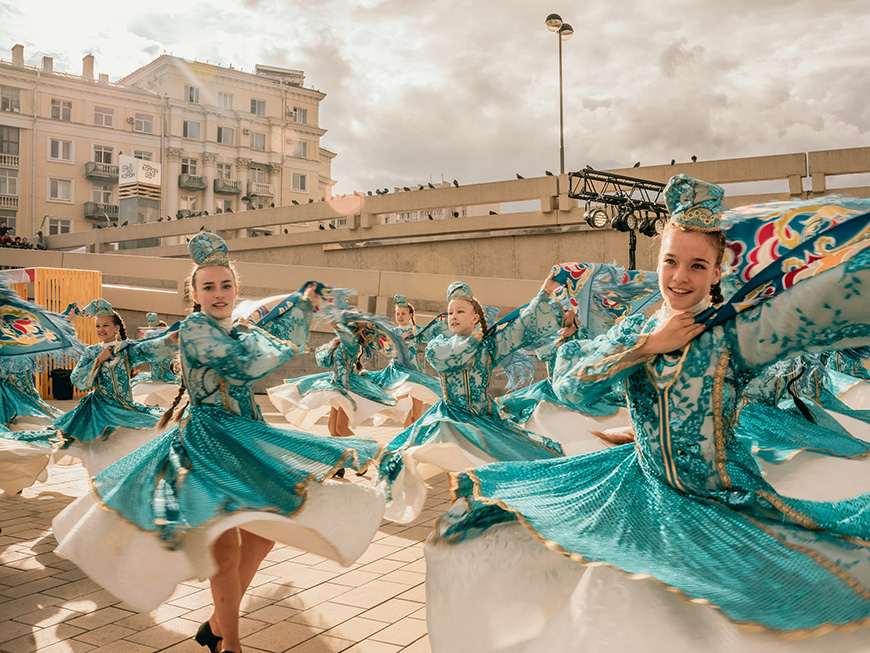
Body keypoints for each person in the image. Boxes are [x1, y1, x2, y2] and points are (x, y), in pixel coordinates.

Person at [424, 176, 870, 652]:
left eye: (698, 266)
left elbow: (825, 304)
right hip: (640, 489)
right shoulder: (635, 328)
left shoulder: (734, 333)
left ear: (717, 272)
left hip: (718, 498)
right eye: (671, 261)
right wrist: (647, 345)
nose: (680, 277)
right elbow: (569, 384)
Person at [53, 232, 384, 653]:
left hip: (247, 436)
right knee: (225, 549)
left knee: (263, 535)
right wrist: (302, 307)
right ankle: (231, 645)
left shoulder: (239, 327)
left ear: (237, 290)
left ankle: (216, 623)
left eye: (225, 285)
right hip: (207, 444)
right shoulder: (195, 328)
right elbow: (244, 365)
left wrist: (324, 308)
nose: (218, 293)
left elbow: (150, 346)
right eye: (207, 286)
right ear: (193, 293)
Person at [377, 276, 565, 524]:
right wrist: (475, 340)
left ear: (475, 317)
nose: (452, 316)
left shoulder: (489, 346)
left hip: (483, 419)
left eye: (460, 311)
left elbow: (520, 327)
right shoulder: (439, 345)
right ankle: (461, 509)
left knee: (530, 455)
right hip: (451, 417)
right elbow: (448, 358)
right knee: (447, 462)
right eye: (450, 312)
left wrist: (544, 294)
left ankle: (486, 509)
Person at [52, 300, 166, 475]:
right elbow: (77, 379)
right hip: (99, 410)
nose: (101, 329)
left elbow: (153, 350)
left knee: (148, 434)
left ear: (116, 328)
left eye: (106, 325)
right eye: (98, 326)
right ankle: (102, 481)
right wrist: (99, 360)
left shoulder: (126, 349)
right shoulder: (92, 352)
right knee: (100, 452)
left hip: (124, 408)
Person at [368, 294, 442, 427]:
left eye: (403, 313)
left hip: (416, 374)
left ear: (410, 315)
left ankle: (414, 440)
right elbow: (384, 347)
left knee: (417, 414)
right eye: (398, 314)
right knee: (405, 411)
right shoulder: (393, 332)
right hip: (399, 375)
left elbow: (433, 335)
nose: (400, 316)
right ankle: (406, 440)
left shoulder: (417, 331)